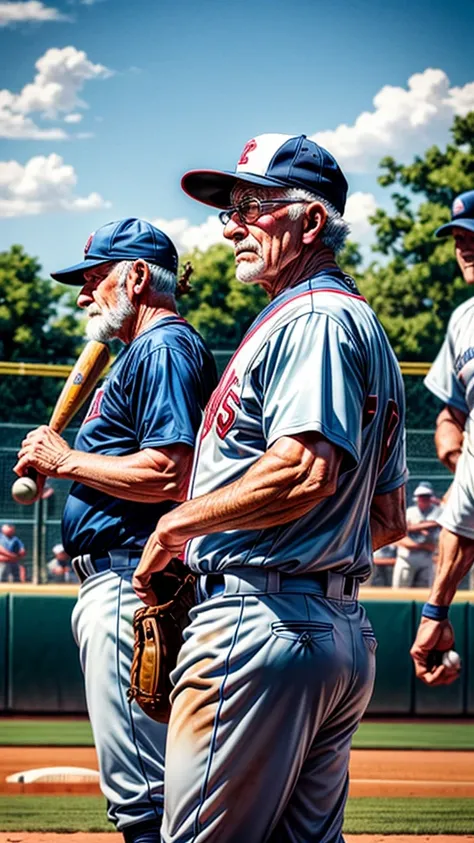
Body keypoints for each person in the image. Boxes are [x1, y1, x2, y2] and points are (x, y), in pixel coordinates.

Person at [133, 134, 407, 843]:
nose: (230, 224)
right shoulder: (362, 327)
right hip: (333, 631)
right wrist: (306, 556)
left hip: (263, 625)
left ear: (310, 224)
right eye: (232, 207)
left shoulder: (311, 318)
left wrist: (177, 527)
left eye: (252, 205)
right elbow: (387, 516)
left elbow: (303, 467)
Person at [13, 218, 217, 843]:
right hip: (125, 576)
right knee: (147, 783)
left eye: (93, 279)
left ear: (133, 277)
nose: (82, 296)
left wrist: (65, 461)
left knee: (144, 792)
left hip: (133, 579)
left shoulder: (162, 348)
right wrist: (71, 465)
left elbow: (169, 471)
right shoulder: (146, 352)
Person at [411, 190, 474, 685]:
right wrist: (454, 446)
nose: (464, 246)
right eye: (457, 237)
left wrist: (434, 610)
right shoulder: (462, 319)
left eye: (473, 235)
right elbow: (452, 412)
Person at [392, 482, 442, 588]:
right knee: (400, 591)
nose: (424, 498)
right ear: (417, 498)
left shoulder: (437, 511)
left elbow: (440, 522)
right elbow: (403, 529)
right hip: (406, 556)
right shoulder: (410, 511)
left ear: (431, 497)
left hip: (426, 557)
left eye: (427, 496)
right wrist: (426, 526)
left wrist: (416, 527)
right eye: (421, 496)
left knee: (424, 593)